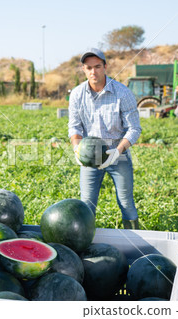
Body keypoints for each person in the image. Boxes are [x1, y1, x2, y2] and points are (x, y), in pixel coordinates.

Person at [68, 48, 142, 229]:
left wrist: (117, 151)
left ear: (105, 67)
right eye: (89, 68)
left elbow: (134, 128)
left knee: (126, 203)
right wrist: (77, 148)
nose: (94, 72)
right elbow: (74, 126)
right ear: (83, 70)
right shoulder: (77, 94)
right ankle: (85, 243)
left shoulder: (122, 93)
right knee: (86, 205)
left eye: (98, 67)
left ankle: (135, 242)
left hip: (118, 153)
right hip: (90, 155)